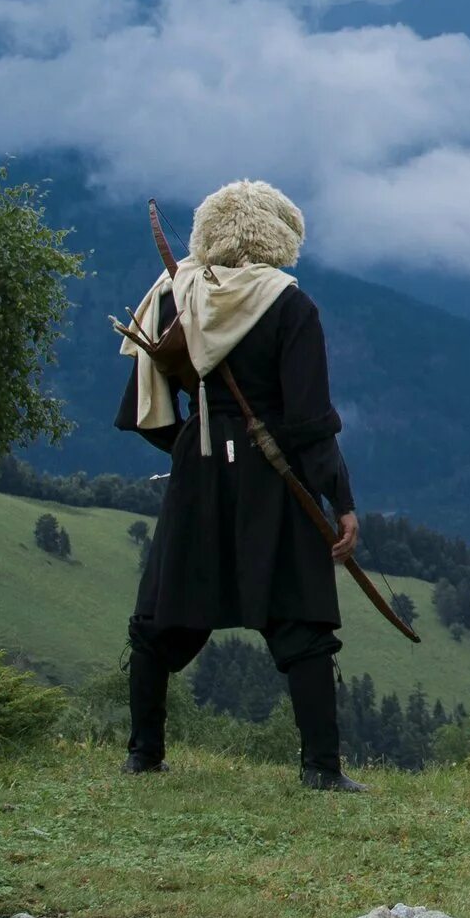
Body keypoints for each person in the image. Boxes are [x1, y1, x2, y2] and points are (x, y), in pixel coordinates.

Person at [113, 179, 367, 792]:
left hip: (197, 471)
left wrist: (195, 451)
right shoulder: (289, 306)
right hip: (275, 475)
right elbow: (309, 421)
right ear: (277, 234)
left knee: (162, 616)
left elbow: (145, 405)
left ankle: (144, 755)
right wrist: (343, 501)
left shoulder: (176, 295)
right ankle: (321, 770)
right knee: (300, 618)